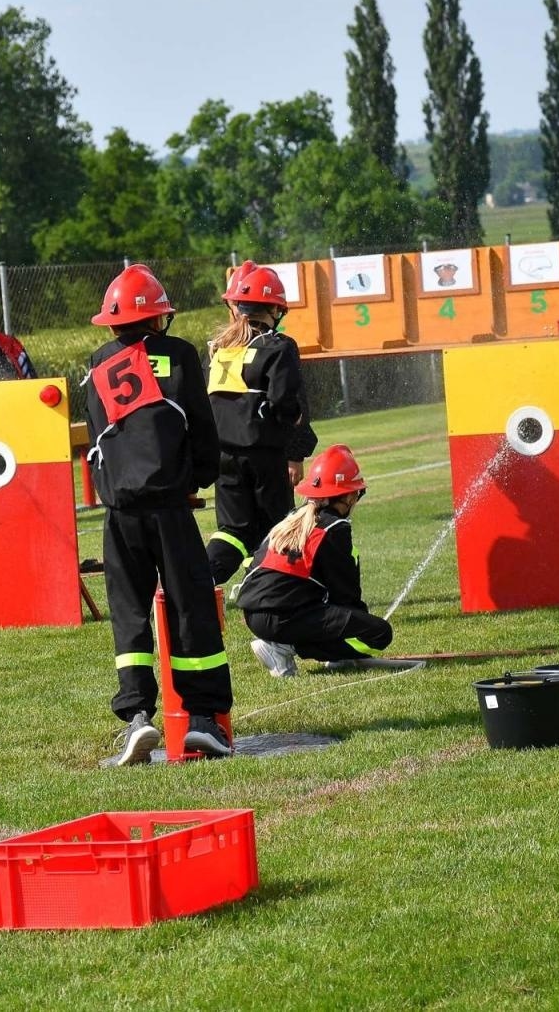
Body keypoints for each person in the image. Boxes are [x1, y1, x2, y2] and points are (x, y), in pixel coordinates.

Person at [84, 263, 232, 763]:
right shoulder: (181, 355)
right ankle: (205, 720)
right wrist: (199, 477)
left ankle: (137, 719)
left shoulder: (97, 363)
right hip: (170, 506)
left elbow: (98, 440)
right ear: (157, 318)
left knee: (129, 614)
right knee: (190, 607)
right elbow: (202, 430)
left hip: (120, 511)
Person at [204, 260, 317, 587]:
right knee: (277, 525)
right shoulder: (278, 346)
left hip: (223, 456)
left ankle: (200, 582)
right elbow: (285, 401)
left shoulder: (219, 348)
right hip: (264, 454)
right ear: (275, 309)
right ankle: (266, 588)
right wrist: (293, 425)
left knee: (232, 531)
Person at [236, 445, 393, 678]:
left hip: (253, 614)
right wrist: (358, 624)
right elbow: (345, 594)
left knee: (336, 615)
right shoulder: (335, 528)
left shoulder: (292, 518)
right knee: (380, 633)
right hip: (281, 618)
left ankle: (286, 645)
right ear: (349, 496)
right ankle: (284, 648)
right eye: (358, 493)